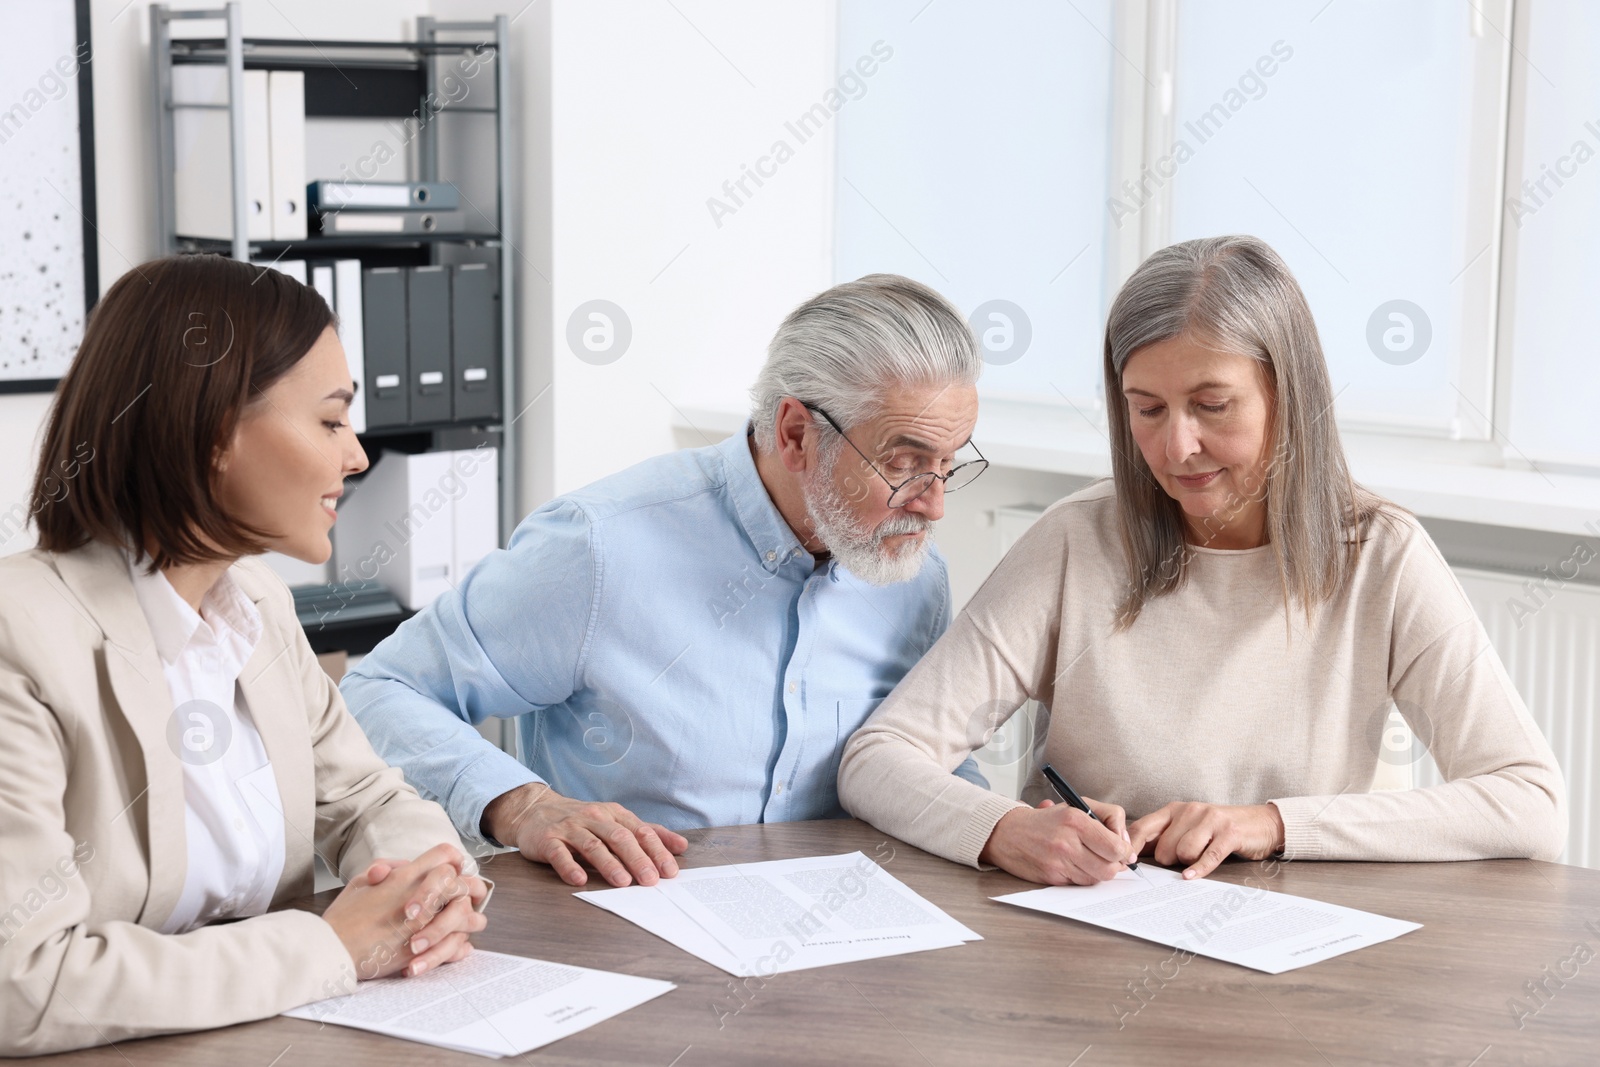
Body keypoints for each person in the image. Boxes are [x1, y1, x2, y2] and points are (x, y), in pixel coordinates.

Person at [839, 235, 1567, 885]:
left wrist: (1273, 823)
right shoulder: (1074, 541)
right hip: (1085, 946)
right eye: (1146, 408)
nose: (1175, 447)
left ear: (1289, 396)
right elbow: (880, 756)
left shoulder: (1382, 556)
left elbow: (1529, 802)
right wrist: (1002, 829)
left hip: (1292, 950)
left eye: (1212, 404)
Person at [342, 274, 990, 889]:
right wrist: (519, 803)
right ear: (797, 433)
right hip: (630, 937)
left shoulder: (914, 577)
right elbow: (381, 688)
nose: (933, 505)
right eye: (905, 466)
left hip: (841, 941)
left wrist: (1001, 824)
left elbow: (928, 759)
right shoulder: (600, 546)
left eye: (948, 465)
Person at [0, 255, 489, 1056]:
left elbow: (365, 798)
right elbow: (24, 983)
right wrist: (333, 948)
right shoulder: (19, 636)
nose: (357, 456)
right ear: (214, 432)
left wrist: (426, 890)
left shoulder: (254, 605)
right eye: (330, 421)